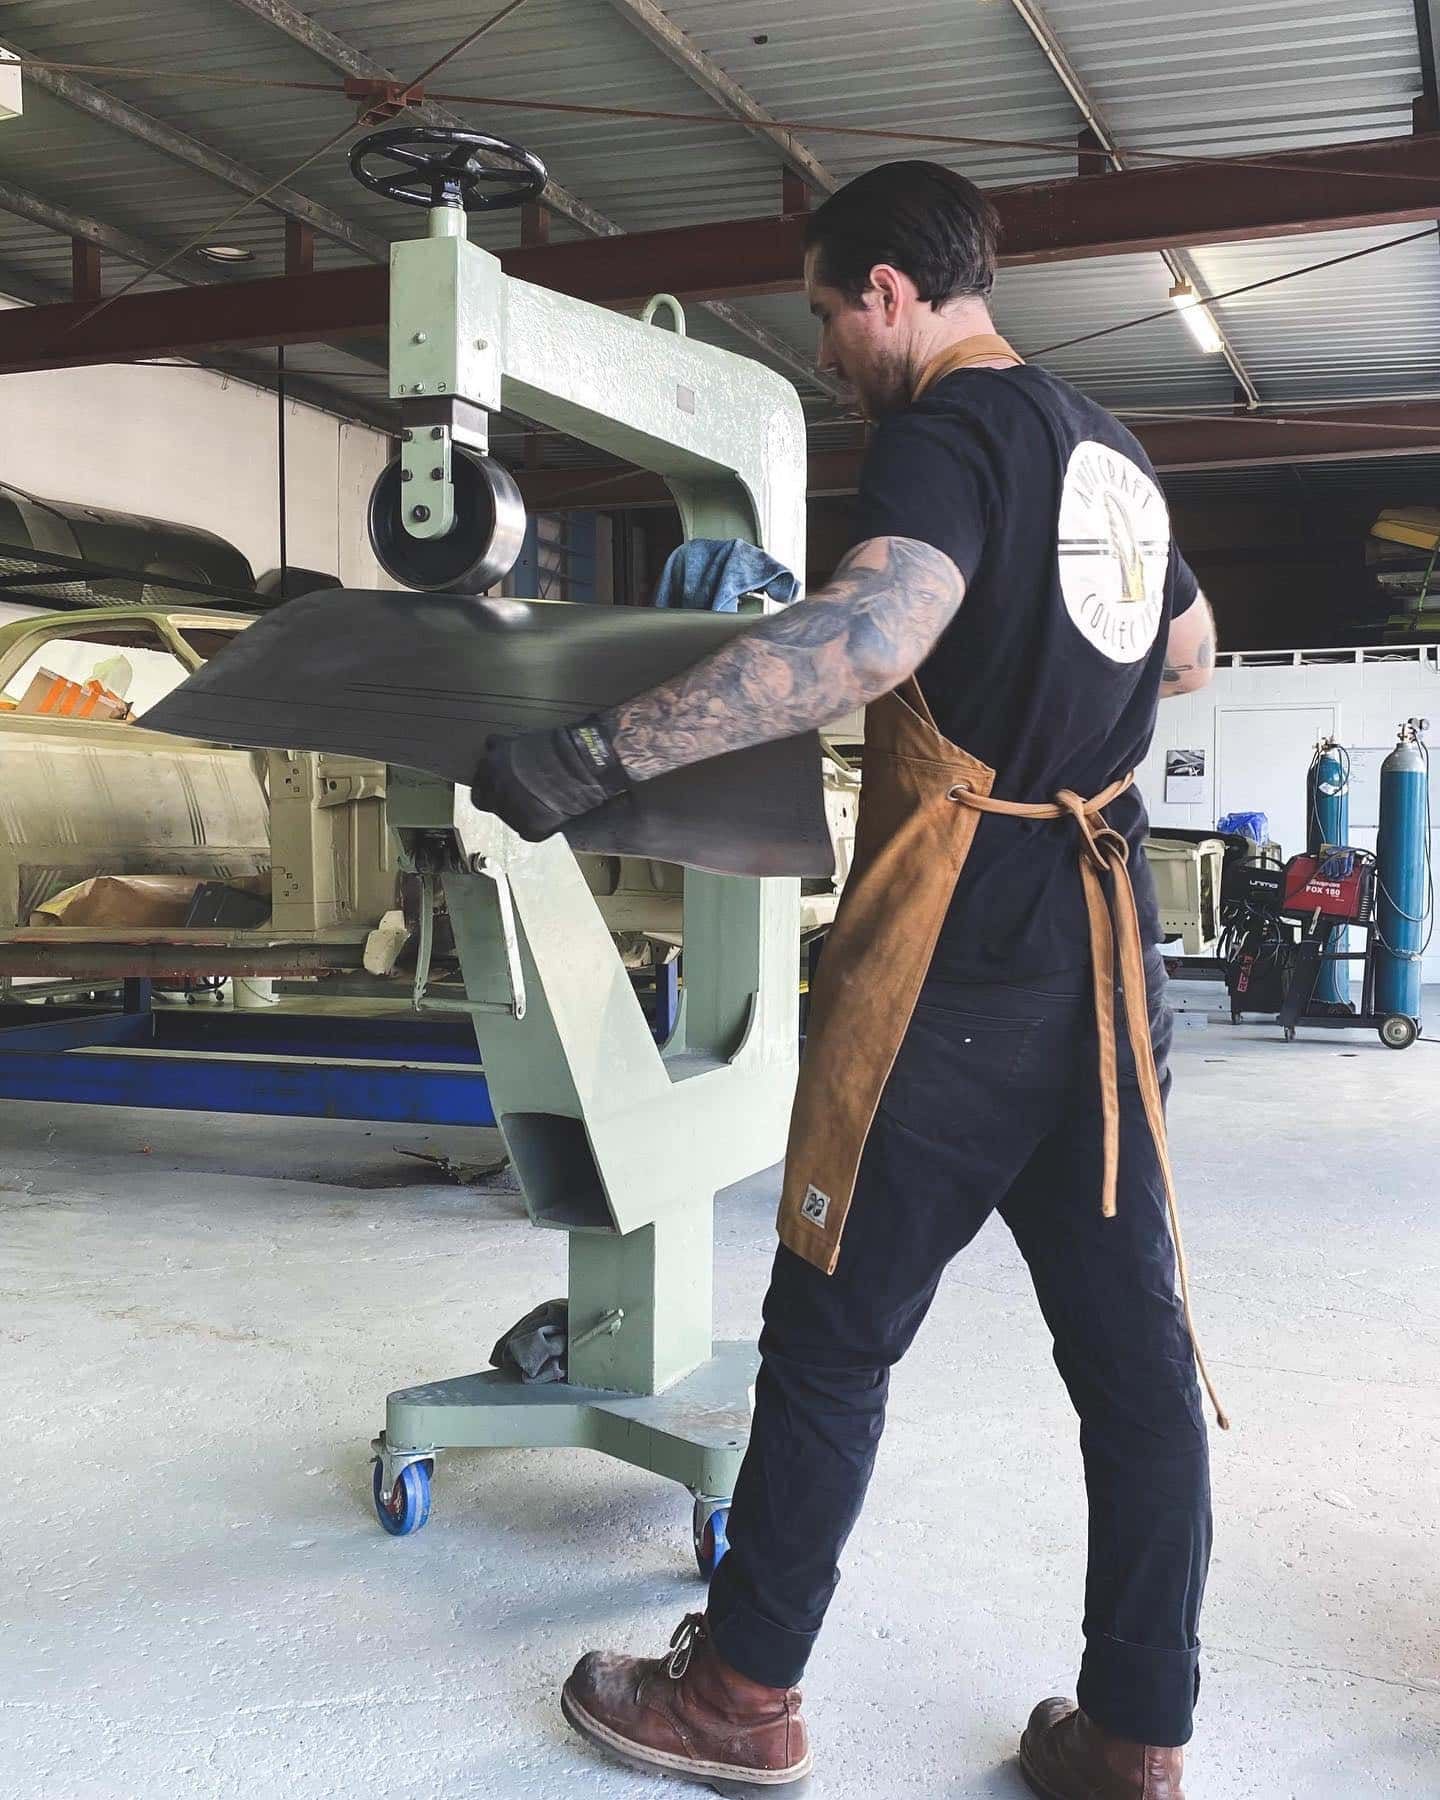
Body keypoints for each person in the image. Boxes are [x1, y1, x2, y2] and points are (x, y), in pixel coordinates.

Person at [472, 159, 1221, 1800]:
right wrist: (1050, 702)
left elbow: (871, 639)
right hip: (1106, 976)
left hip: (953, 976)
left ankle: (741, 1696)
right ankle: (1137, 1738)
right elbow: (1186, 652)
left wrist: (591, 757)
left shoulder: (945, 433)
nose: (824, 351)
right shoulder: (1110, 446)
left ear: (889, 290)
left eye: (825, 313)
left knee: (829, 1339)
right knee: (1136, 1365)